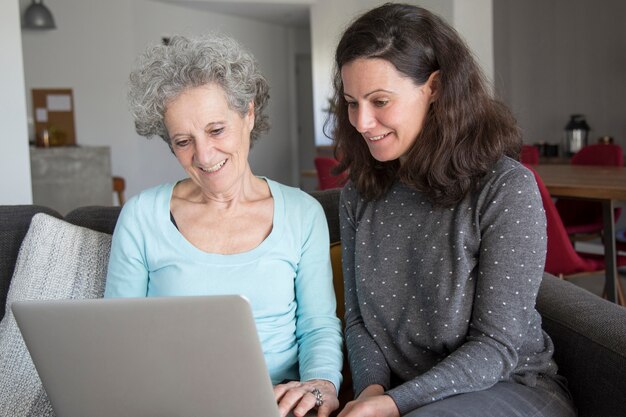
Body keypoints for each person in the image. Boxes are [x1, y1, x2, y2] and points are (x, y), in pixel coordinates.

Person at [329, 4, 576, 417]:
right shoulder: (359, 194)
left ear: (435, 87)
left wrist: (394, 403)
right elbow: (359, 323)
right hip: (405, 396)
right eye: (352, 103)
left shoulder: (505, 188)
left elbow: (496, 347)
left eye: (380, 101)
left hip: (511, 385)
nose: (362, 122)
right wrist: (370, 394)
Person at [104, 34, 342, 417]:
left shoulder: (302, 213)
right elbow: (119, 339)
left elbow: (317, 326)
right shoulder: (141, 217)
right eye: (183, 141)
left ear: (248, 114)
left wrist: (321, 385)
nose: (204, 155)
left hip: (275, 405)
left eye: (216, 130)